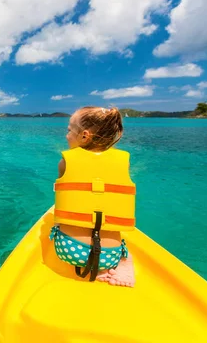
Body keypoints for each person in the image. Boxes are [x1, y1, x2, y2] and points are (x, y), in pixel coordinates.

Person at [50, 106, 136, 287]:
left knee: (55, 220)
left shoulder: (65, 162)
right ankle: (123, 261)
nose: (66, 135)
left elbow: (64, 196)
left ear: (84, 136)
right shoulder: (124, 163)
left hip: (68, 249)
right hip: (110, 255)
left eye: (69, 130)